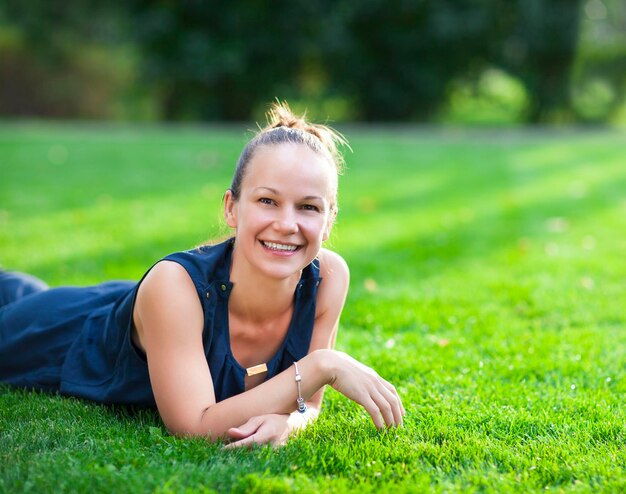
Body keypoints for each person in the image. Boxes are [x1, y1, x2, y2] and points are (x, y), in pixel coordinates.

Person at [0, 102, 405, 448]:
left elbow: (306, 405)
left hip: (150, 314)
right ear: (232, 208)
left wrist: (289, 423)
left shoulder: (329, 278)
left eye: (309, 207)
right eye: (267, 200)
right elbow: (193, 425)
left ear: (330, 220)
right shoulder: (174, 284)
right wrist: (321, 365)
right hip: (60, 335)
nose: (287, 224)